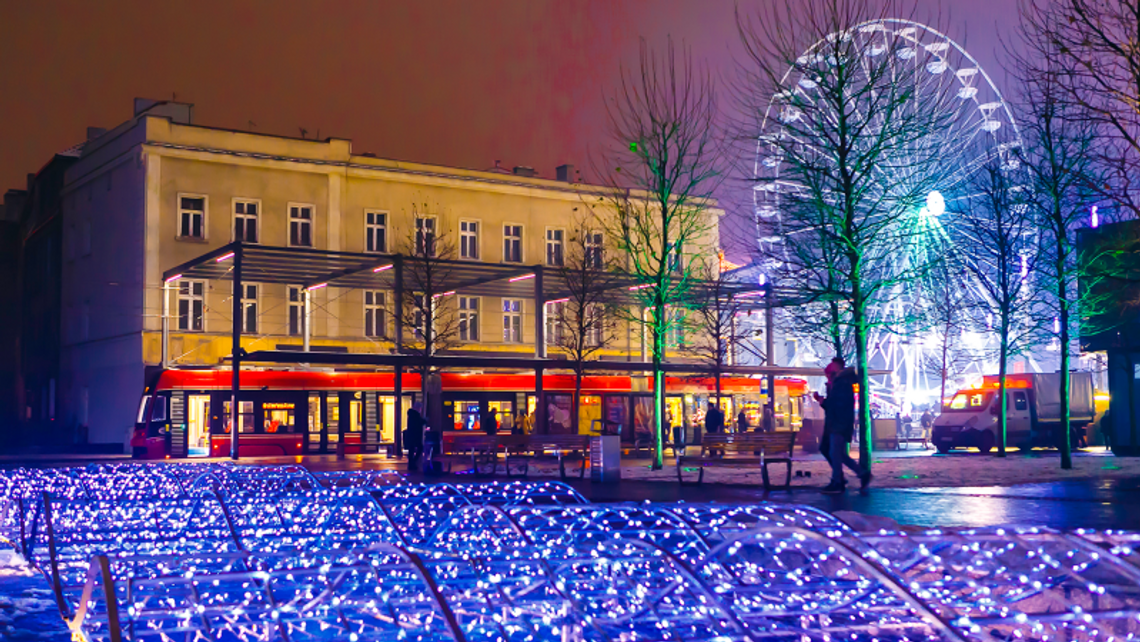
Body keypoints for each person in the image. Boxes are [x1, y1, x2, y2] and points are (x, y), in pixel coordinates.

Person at [818, 357, 871, 493]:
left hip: (839, 423)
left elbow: (837, 404)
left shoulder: (841, 383)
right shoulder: (843, 382)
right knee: (838, 454)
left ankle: (839, 481)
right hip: (839, 422)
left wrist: (823, 401)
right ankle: (861, 474)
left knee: (835, 453)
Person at [404, 403, 425, 470]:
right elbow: (419, 423)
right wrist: (424, 421)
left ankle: (411, 464)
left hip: (411, 435)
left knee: (411, 450)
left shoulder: (411, 414)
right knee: (419, 448)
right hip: (415, 435)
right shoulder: (415, 415)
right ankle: (413, 462)